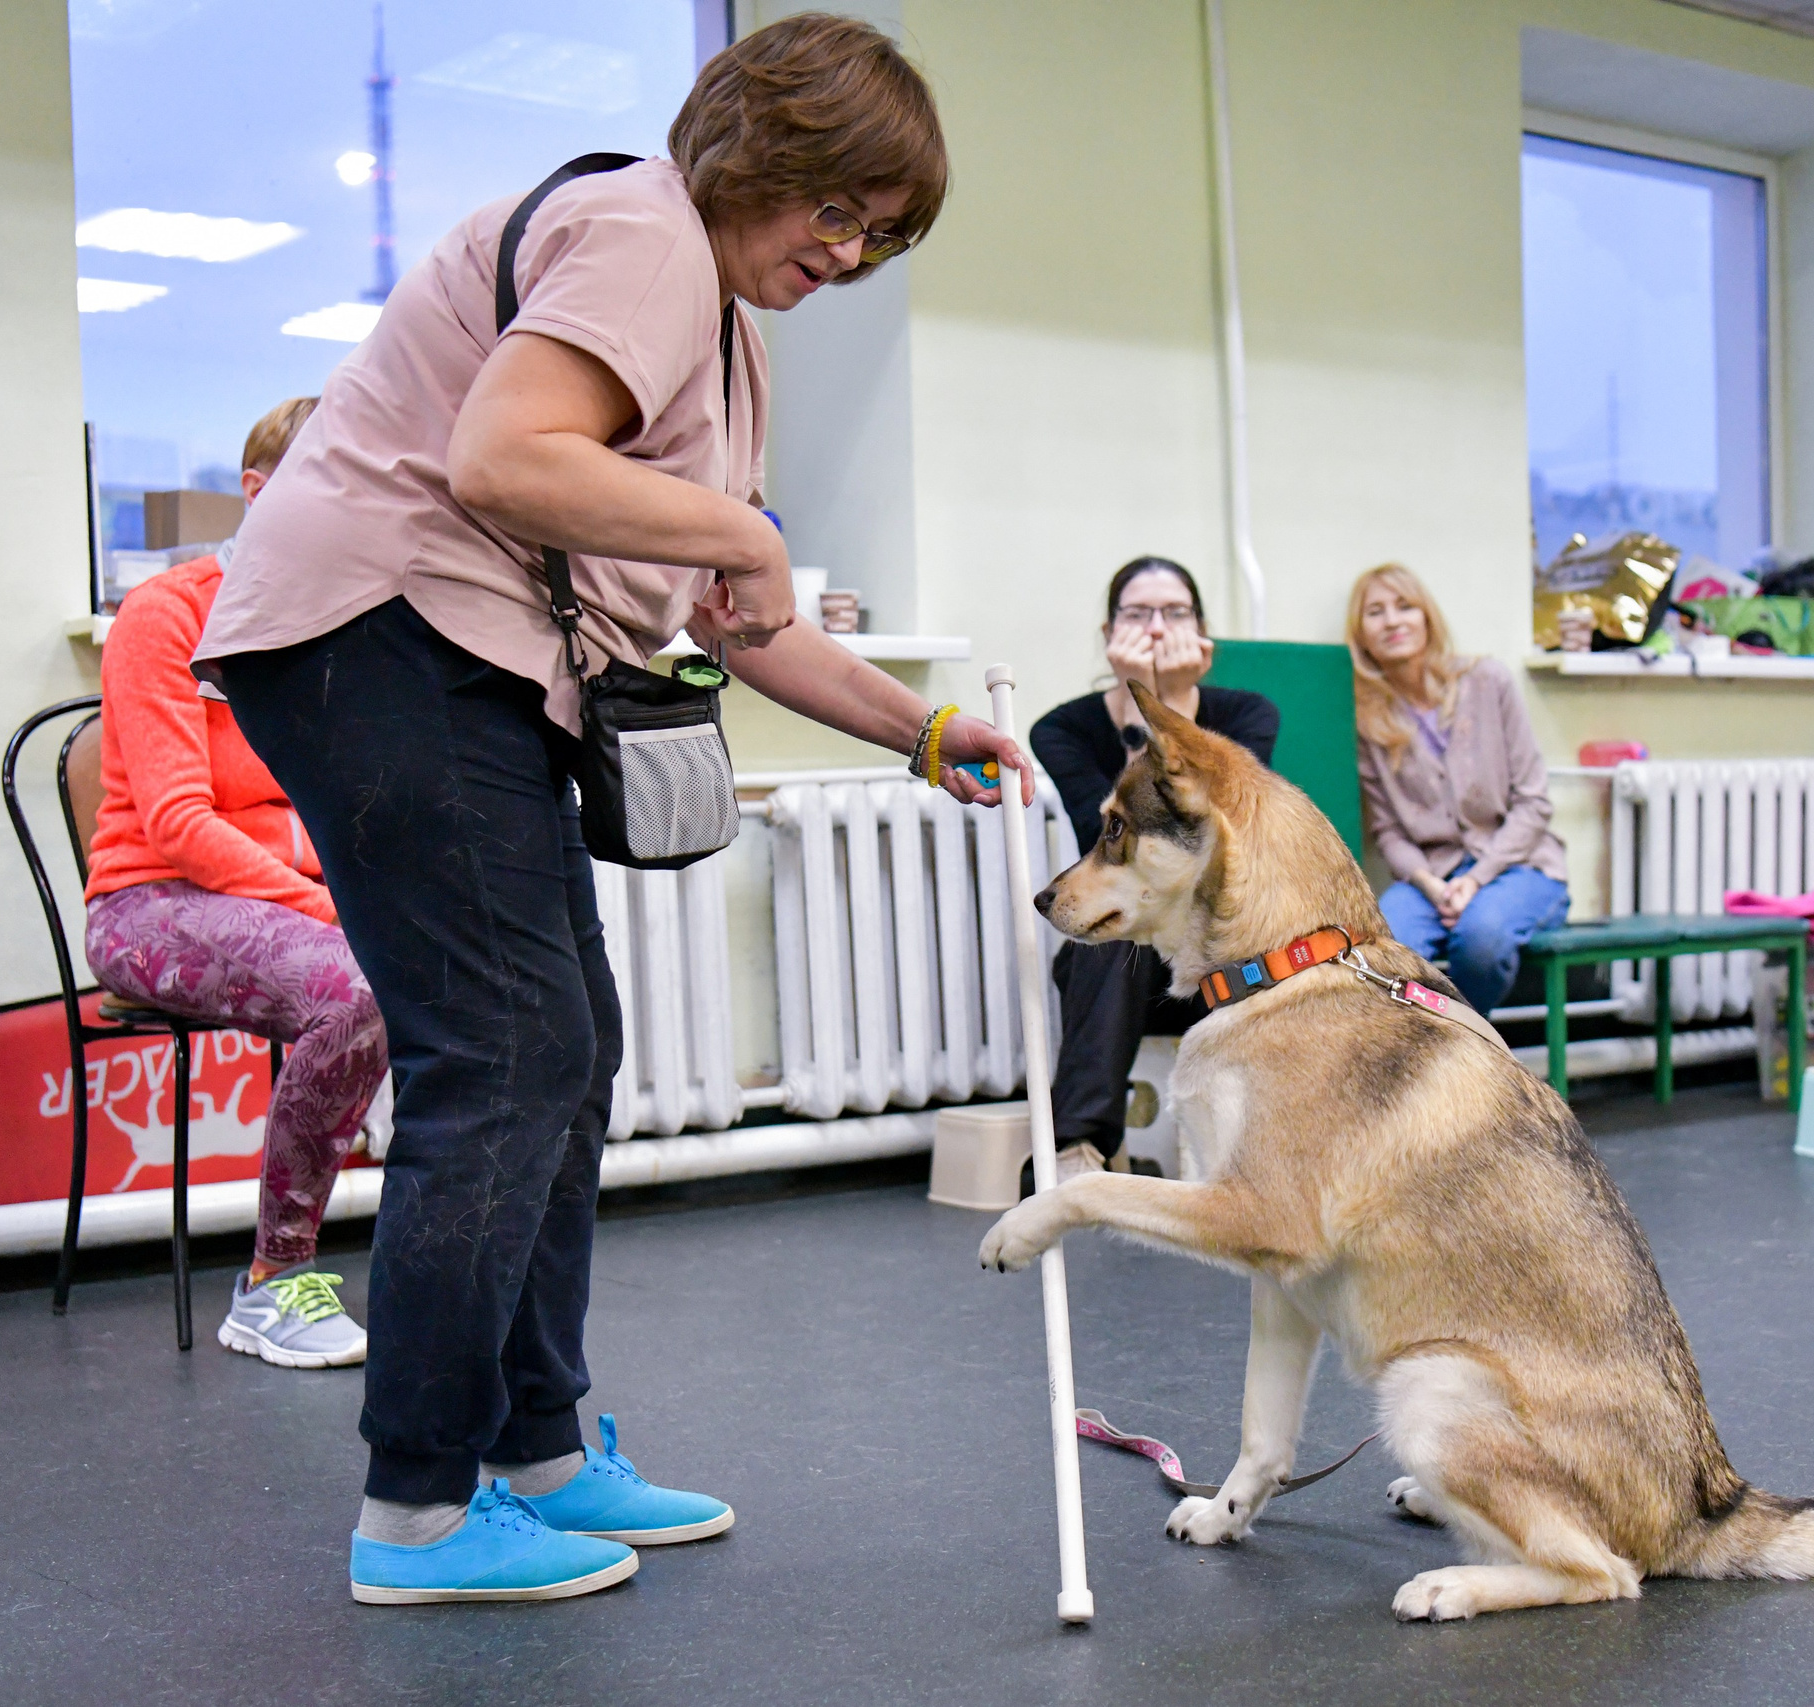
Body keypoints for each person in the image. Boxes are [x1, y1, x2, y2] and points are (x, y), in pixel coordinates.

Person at [193, 15, 1027, 1605]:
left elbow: (743, 617)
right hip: (384, 633)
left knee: (567, 1047)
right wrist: (740, 526)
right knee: (508, 1051)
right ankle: (419, 1514)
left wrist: (922, 730)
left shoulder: (725, 335)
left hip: (469, 663)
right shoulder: (644, 230)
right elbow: (504, 459)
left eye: (880, 235)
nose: (846, 251)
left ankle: (543, 1451)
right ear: (753, 151)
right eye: (834, 209)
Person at [83, 396, 382, 1371]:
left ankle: (455, 1276)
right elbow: (180, 824)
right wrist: (335, 904)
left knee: (471, 980)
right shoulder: (167, 613)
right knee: (366, 990)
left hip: (288, 899)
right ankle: (272, 1279)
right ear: (256, 493)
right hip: (150, 904)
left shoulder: (347, 627)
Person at [1031, 557, 1278, 1179]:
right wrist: (1151, 708)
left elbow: (1215, 839)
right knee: (1118, 922)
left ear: (1202, 634)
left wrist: (1166, 707)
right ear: (1109, 633)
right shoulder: (1062, 728)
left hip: (1227, 945)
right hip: (1124, 973)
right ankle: (1075, 1153)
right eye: (1138, 614)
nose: (1158, 628)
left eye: (1175, 613)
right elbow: (1124, 845)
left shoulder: (1250, 715)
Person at [1351, 563, 1569, 1014]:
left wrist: (1476, 879)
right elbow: (1388, 831)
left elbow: (1534, 801)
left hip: (1518, 865)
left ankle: (1470, 1047)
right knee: (1386, 950)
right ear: (1361, 635)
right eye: (1375, 612)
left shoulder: (1488, 681)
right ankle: (1438, 1058)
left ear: (1426, 617)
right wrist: (1431, 885)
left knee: (1482, 940)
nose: (1393, 621)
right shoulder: (1367, 719)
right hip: (1430, 874)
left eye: (1404, 606)